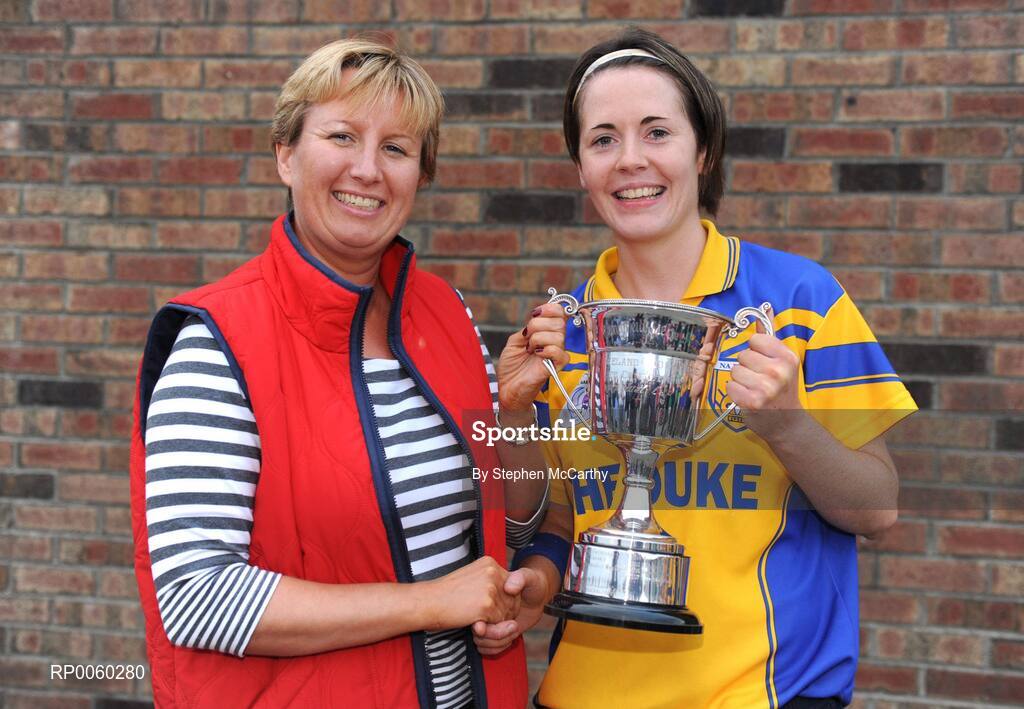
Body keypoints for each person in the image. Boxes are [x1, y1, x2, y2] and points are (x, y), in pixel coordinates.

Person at [472, 28, 918, 709]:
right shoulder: (564, 330)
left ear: (702, 149)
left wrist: (789, 425)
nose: (630, 160)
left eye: (657, 132)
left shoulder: (801, 301)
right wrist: (511, 422)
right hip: (581, 692)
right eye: (603, 139)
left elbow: (877, 509)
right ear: (581, 166)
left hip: (764, 693)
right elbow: (552, 521)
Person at [129, 38, 561, 708]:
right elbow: (195, 597)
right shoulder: (218, 342)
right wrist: (427, 602)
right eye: (342, 136)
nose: (368, 169)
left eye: (396, 148)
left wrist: (509, 420)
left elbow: (517, 520)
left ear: (420, 173)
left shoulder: (448, 315)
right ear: (286, 153)